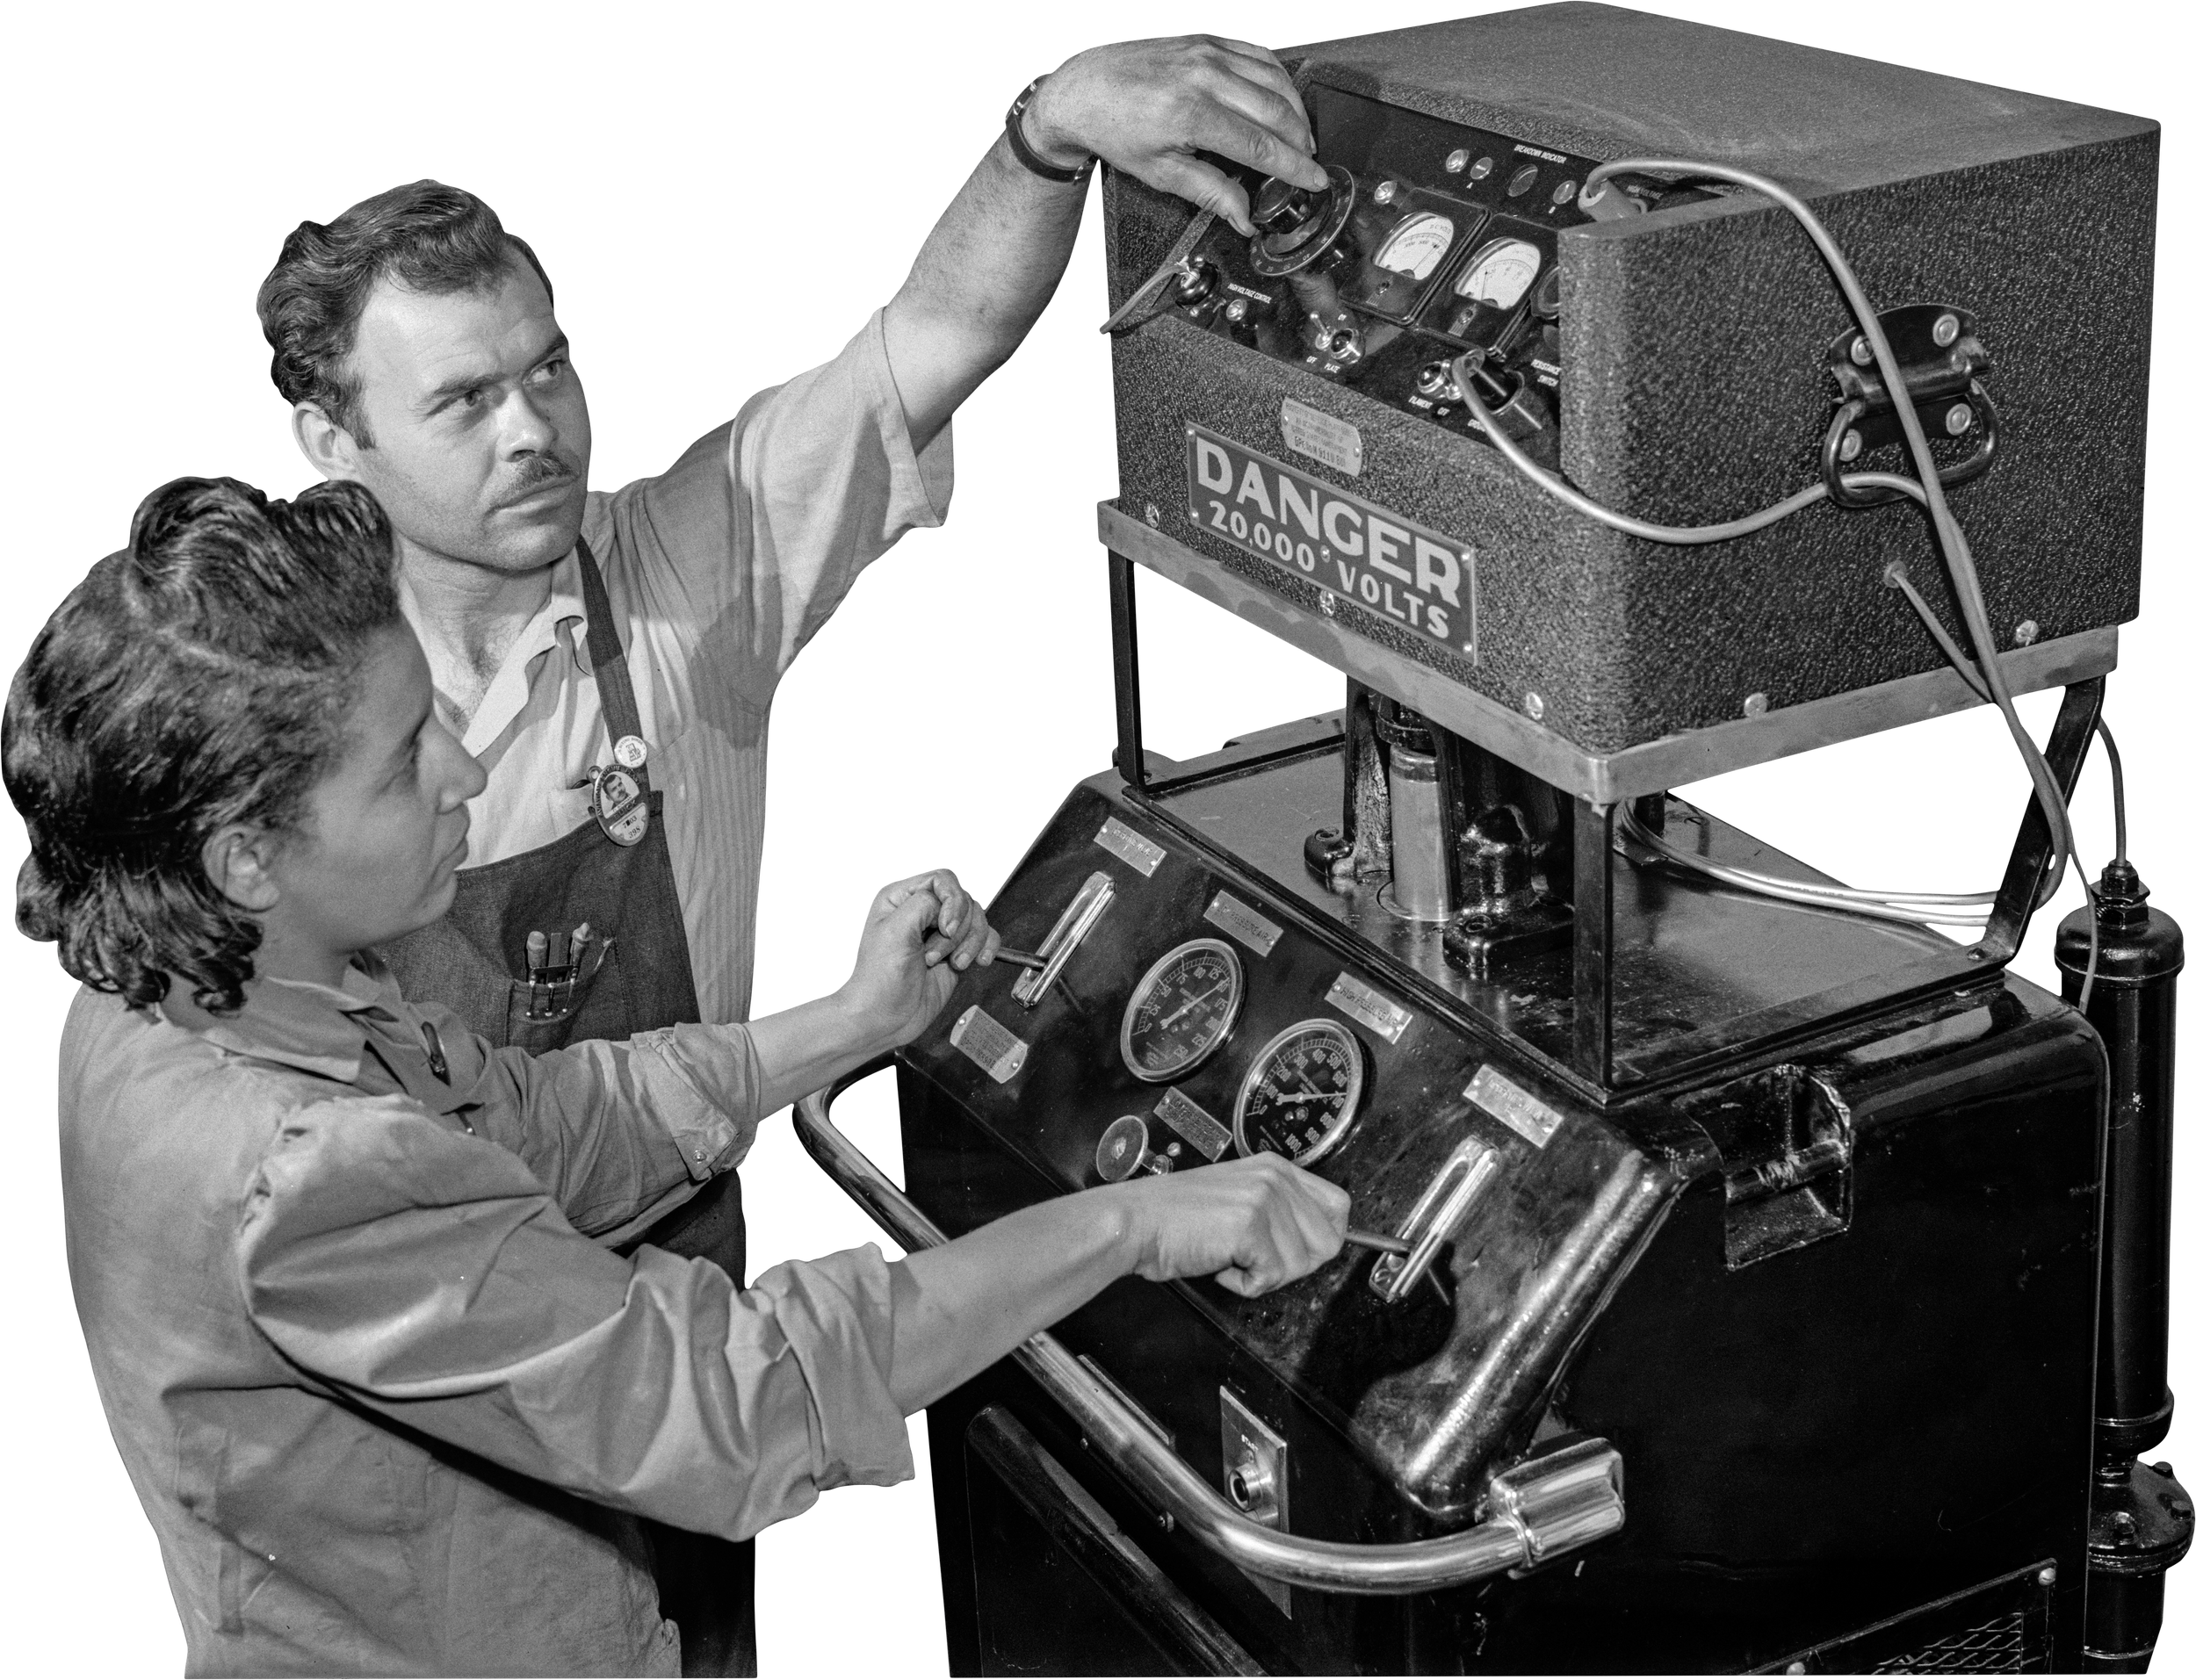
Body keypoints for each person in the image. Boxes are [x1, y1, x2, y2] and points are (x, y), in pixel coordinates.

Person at [252, 41, 1327, 1665]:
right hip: (402, 1346)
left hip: (680, 1271)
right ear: (331, 444)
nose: (534, 429)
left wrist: (1045, 140)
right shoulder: (273, 704)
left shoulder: (681, 575)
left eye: (548, 370)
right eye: (462, 400)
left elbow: (930, 340)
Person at [4, 476, 1352, 1680]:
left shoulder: (183, 982)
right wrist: (1127, 1221)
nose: (465, 768)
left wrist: (846, 1024)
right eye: (404, 759)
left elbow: (541, 1118)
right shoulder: (300, 1169)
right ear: (245, 855)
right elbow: (732, 1404)